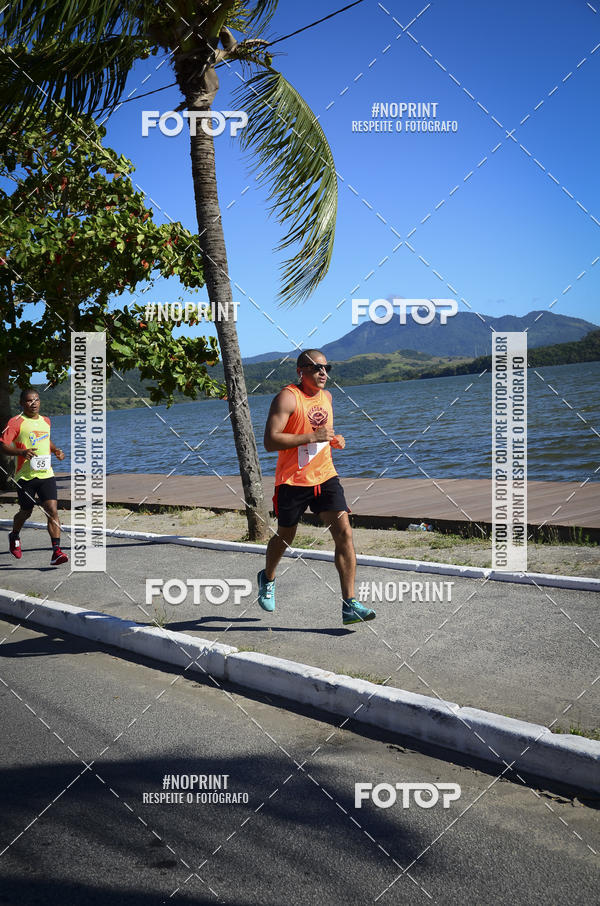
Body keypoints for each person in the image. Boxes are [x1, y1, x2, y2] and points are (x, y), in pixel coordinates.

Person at [258, 349, 376, 625]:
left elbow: (322, 433)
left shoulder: (327, 397)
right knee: (286, 536)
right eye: (316, 368)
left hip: (325, 476)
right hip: (292, 481)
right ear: (301, 371)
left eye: (327, 368)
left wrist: (334, 440)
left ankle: (350, 603)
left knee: (344, 532)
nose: (323, 373)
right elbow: (270, 441)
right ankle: (268, 576)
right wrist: (312, 436)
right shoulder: (287, 397)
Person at [1, 388, 68, 565]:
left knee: (52, 509)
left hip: (46, 474)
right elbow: (3, 445)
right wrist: (22, 452)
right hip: (25, 477)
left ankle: (56, 552)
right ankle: (14, 534)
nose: (34, 403)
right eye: (29, 401)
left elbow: (45, 439)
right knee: (26, 511)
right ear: (22, 403)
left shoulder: (46, 420)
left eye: (36, 400)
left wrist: (56, 450)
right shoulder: (15, 422)